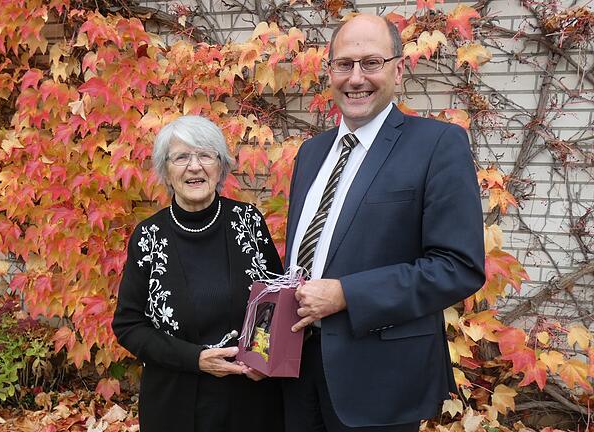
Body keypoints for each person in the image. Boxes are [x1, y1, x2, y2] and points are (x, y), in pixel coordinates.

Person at [283, 14, 486, 432]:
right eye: (344, 64)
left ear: (398, 68)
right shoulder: (311, 153)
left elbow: (458, 266)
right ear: (330, 71)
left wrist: (347, 295)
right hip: (297, 370)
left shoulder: (436, 144)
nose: (356, 78)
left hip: (379, 378)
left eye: (371, 63)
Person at [112, 115, 284, 432]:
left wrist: (265, 357)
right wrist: (195, 359)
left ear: (220, 165)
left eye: (205, 155)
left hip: (251, 399)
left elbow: (277, 302)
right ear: (166, 170)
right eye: (181, 157)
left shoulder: (248, 221)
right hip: (176, 402)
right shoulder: (149, 236)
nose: (195, 166)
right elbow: (129, 325)